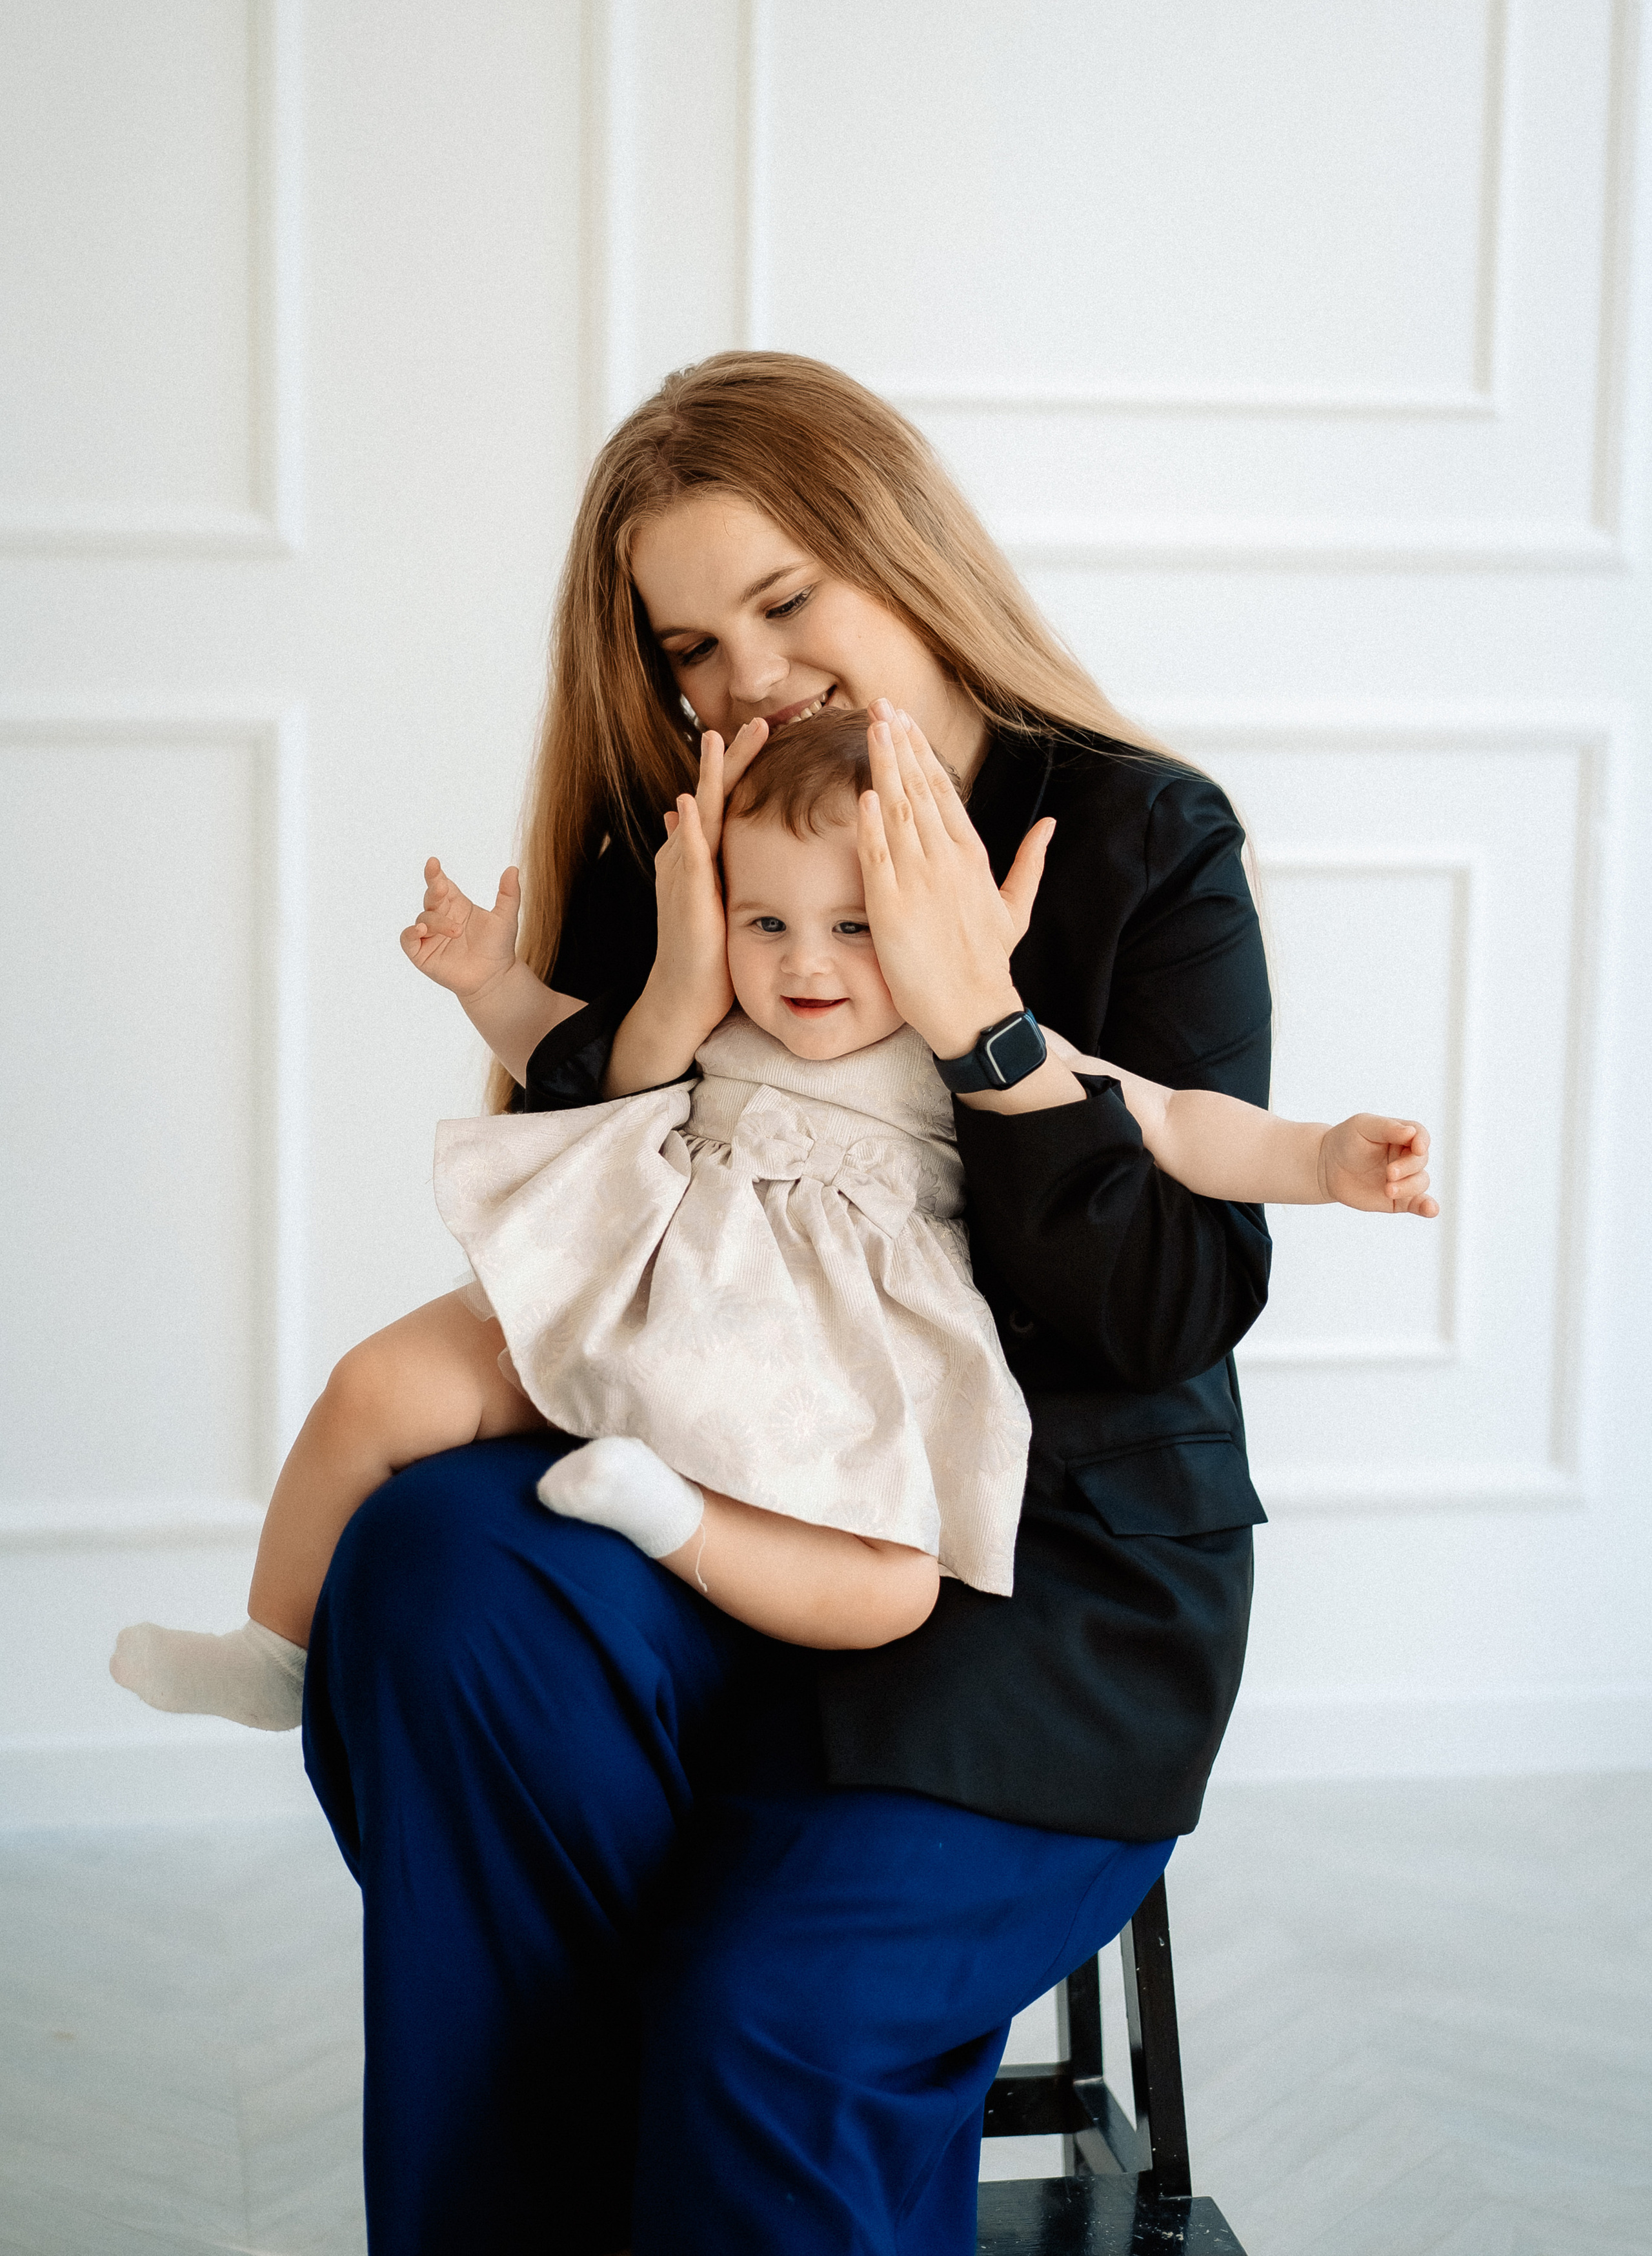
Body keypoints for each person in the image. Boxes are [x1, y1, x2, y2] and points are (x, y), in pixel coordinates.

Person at [129, 348, 1424, 2254]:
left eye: (785, 602)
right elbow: (580, 1219)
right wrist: (643, 997)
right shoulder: (689, 844)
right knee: (432, 1574)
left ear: (899, 553)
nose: (742, 680)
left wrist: (988, 1031)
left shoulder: (1143, 845)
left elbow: (1166, 1315)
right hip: (699, 1453)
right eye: (686, 649)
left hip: (1030, 1571)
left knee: (765, 2020)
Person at [113, 710, 1435, 1730]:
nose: (804, 962)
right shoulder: (714, 1014)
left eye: (856, 925)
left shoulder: (968, 1039)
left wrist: (1322, 1157)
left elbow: (1182, 1125)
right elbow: (557, 1039)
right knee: (377, 1385)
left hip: (819, 1376)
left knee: (892, 1587)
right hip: (644, 1302)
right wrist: (487, 979)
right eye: (768, 921)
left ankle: (671, 1517)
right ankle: (277, 1652)